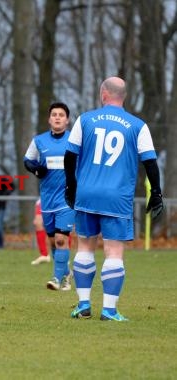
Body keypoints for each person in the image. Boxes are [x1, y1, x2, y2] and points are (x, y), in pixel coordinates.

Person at [64, 77, 164, 321]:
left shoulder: (85, 119)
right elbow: (150, 162)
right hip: (117, 197)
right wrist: (157, 193)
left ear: (103, 94)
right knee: (113, 251)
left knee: (85, 246)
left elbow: (69, 155)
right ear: (124, 96)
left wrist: (71, 186)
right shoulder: (138, 125)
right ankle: (109, 310)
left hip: (87, 193)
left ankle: (83, 305)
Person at [24, 102, 75, 291]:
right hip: (47, 198)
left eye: (61, 114)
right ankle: (66, 273)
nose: (57, 117)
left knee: (62, 239)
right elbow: (27, 160)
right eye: (54, 114)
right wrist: (37, 169)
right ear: (49, 119)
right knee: (53, 241)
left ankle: (55, 278)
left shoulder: (74, 141)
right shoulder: (39, 141)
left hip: (67, 198)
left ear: (67, 120)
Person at [31, 198, 50, 265]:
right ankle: (44, 255)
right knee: (37, 223)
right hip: (46, 197)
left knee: (62, 227)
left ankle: (64, 257)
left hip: (61, 197)